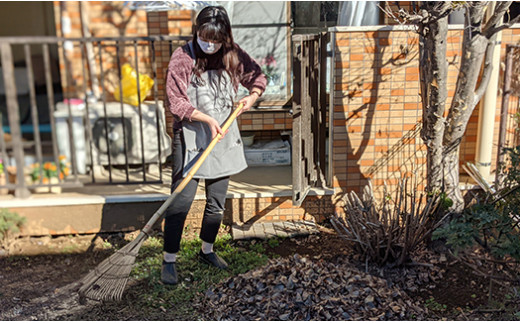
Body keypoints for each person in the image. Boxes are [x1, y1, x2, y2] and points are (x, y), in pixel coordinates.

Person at [162, 5, 266, 285]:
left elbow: (257, 77)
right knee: (180, 201)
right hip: (192, 136)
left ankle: (207, 249)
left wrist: (251, 98)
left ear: (224, 39)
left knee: (216, 203)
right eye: (204, 38)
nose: (209, 45)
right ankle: (169, 259)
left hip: (223, 135)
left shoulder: (232, 54)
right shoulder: (182, 57)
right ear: (196, 31)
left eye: (215, 40)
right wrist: (206, 118)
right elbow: (176, 101)